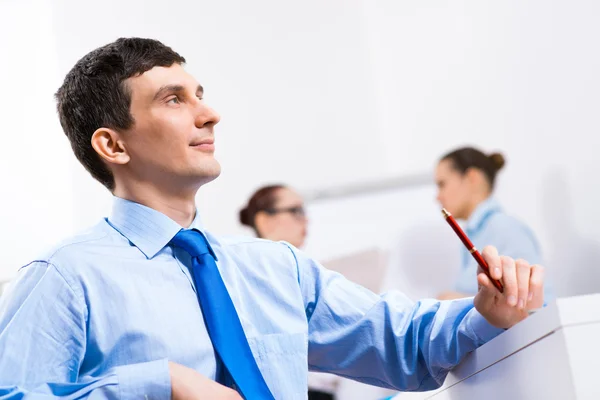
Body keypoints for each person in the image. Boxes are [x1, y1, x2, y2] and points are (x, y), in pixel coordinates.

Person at [0, 38, 545, 400]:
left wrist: (485, 312)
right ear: (112, 144)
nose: (209, 113)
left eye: (201, 95)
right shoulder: (64, 278)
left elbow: (401, 342)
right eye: (172, 99)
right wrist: (155, 385)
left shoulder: (276, 269)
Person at [240, 185, 338, 400]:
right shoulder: (248, 276)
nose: (306, 220)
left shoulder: (306, 272)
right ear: (264, 220)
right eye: (296, 211)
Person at [435, 147, 547, 301]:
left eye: (442, 184)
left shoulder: (504, 228)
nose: (438, 197)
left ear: (471, 178)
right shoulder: (476, 234)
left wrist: (457, 302)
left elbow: (535, 302)